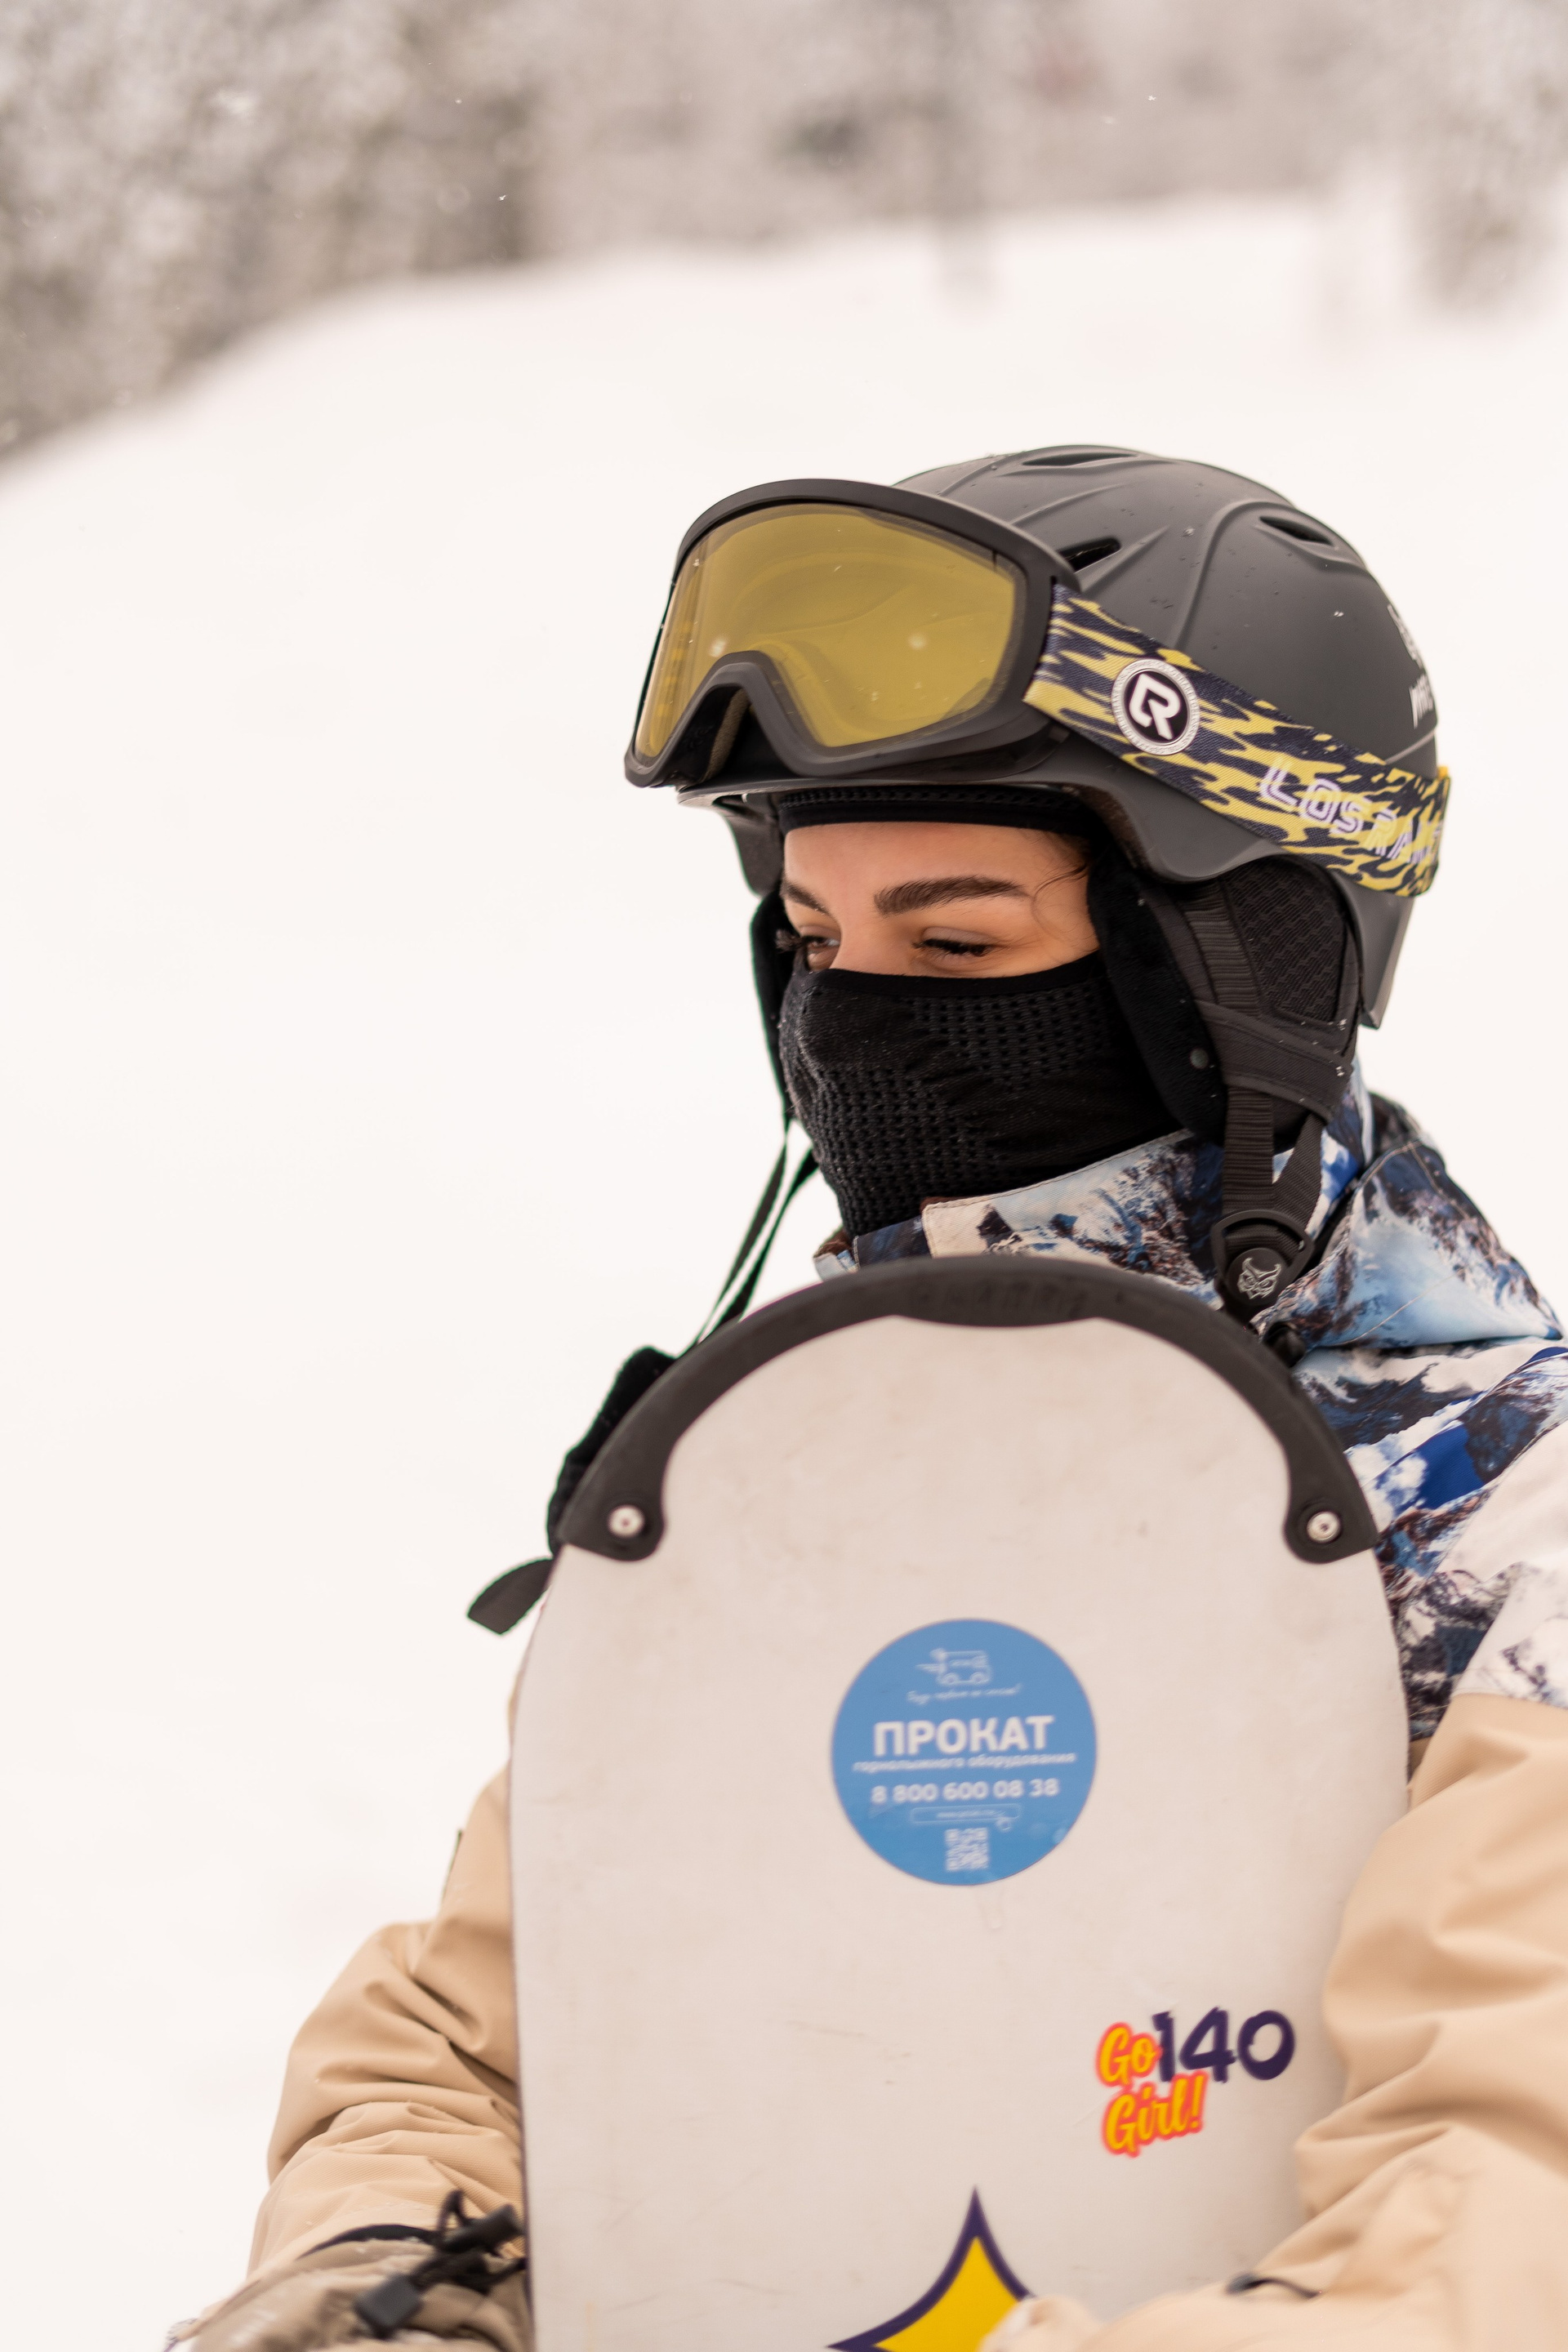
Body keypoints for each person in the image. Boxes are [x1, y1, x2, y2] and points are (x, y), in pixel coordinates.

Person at [177, 449, 1568, 2351]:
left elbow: (1497, 2220)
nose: (853, 1028)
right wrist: (390, 2276)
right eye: (817, 946)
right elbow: (478, 2045)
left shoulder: (1517, 1524)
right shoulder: (794, 1478)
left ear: (1236, 966)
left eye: (960, 945)